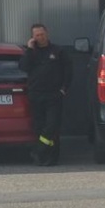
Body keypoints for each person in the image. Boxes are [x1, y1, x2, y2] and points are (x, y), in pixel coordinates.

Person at [22, 22, 71, 166]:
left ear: (47, 33)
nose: (40, 37)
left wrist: (64, 89)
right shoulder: (31, 52)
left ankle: (42, 152)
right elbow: (24, 67)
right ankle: (43, 156)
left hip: (53, 95)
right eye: (37, 35)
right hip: (35, 95)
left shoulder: (58, 51)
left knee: (52, 126)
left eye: (42, 34)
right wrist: (30, 50)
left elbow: (68, 71)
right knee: (39, 127)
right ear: (32, 37)